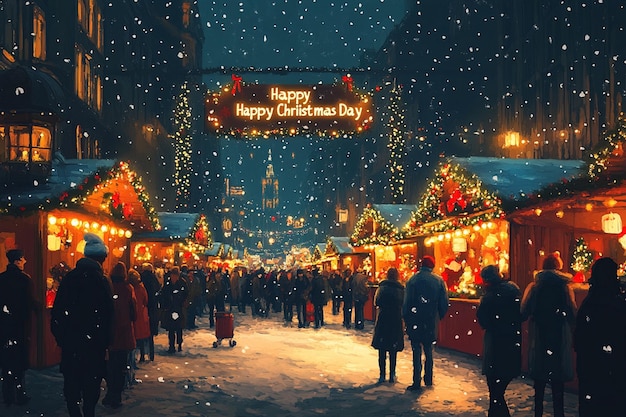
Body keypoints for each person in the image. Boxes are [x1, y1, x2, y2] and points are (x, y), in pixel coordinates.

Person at [51, 233, 114, 417]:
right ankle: (88, 412)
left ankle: (75, 412)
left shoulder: (70, 279)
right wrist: (105, 341)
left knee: (71, 385)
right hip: (94, 346)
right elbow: (108, 316)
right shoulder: (102, 281)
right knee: (91, 387)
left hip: (72, 345)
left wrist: (62, 338)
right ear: (101, 258)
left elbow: (58, 312)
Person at [521, 252, 577, 417]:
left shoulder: (535, 286)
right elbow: (572, 311)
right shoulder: (565, 287)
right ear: (558, 266)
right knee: (557, 376)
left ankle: (538, 411)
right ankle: (559, 412)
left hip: (540, 333)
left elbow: (524, 311)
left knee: (540, 375)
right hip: (559, 333)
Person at [574, 257, 626, 417]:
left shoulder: (592, 302)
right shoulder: (617, 302)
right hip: (613, 366)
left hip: (593, 365)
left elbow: (580, 336)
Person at [476, 265, 522, 417]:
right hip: (511, 338)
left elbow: (483, 319)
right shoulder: (513, 290)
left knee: (494, 385)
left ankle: (496, 412)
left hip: (495, 340)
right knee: (501, 381)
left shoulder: (489, 296)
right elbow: (521, 313)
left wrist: (493, 325)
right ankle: (496, 411)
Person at [402, 255, 449, 391]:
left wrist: (407, 316)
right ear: (432, 266)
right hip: (430, 319)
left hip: (415, 319)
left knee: (416, 349)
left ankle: (416, 380)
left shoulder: (413, 280)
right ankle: (428, 378)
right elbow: (444, 302)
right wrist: (438, 315)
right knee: (429, 349)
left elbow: (407, 302)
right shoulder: (438, 281)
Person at [0, 249, 36, 406]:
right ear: (16, 261)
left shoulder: (1, 278)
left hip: (4, 326)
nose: (24, 262)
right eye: (22, 259)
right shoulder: (24, 280)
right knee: (19, 363)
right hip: (20, 326)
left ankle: (7, 395)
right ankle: (20, 394)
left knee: (7, 360)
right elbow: (29, 302)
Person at [103, 262, 136, 408]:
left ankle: (111, 392)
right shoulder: (128, 289)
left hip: (109, 332)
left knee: (109, 366)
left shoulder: (107, 287)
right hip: (124, 333)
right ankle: (116, 395)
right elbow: (133, 312)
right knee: (121, 366)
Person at [371, 267, 404, 384]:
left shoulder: (382, 287)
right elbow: (403, 303)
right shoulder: (401, 289)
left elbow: (376, 302)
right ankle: (392, 374)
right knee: (393, 348)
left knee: (382, 348)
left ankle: (382, 374)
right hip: (395, 319)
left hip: (384, 318)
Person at [160, 266, 188, 353]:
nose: (173, 277)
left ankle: (179, 344)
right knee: (171, 328)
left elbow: (186, 294)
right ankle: (171, 345)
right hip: (170, 308)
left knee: (179, 327)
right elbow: (163, 294)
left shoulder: (182, 283)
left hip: (179, 308)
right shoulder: (167, 284)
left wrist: (182, 301)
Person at [140, 263, 161, 361]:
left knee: (142, 331)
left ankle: (142, 354)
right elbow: (158, 290)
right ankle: (151, 354)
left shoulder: (141, 279)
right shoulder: (154, 279)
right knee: (150, 332)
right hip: (152, 307)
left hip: (143, 307)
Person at [129, 269, 151, 364]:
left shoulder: (129, 288)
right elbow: (146, 300)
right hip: (140, 314)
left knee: (132, 336)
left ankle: (132, 358)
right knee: (141, 336)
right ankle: (142, 355)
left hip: (131, 314)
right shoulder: (141, 288)